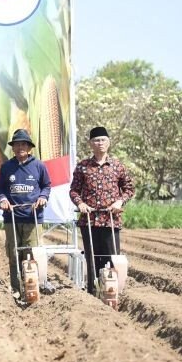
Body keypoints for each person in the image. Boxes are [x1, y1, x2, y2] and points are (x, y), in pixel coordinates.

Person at [69, 126, 135, 295]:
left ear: (109, 142)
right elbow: (74, 190)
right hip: (89, 220)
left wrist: (120, 202)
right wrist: (80, 203)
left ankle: (112, 292)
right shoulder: (83, 166)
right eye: (96, 140)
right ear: (91, 143)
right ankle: (93, 293)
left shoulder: (117, 166)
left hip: (110, 220)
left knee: (112, 258)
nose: (100, 143)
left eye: (103, 140)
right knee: (92, 259)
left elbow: (129, 189)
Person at [0, 129, 51, 296]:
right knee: (14, 252)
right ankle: (16, 287)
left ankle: (34, 284)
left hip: (32, 216)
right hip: (11, 216)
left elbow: (46, 186)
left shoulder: (38, 165)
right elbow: (0, 189)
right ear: (13, 148)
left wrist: (42, 197)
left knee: (31, 251)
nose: (20, 147)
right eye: (17, 144)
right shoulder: (6, 167)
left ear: (29, 147)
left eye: (23, 144)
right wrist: (3, 200)